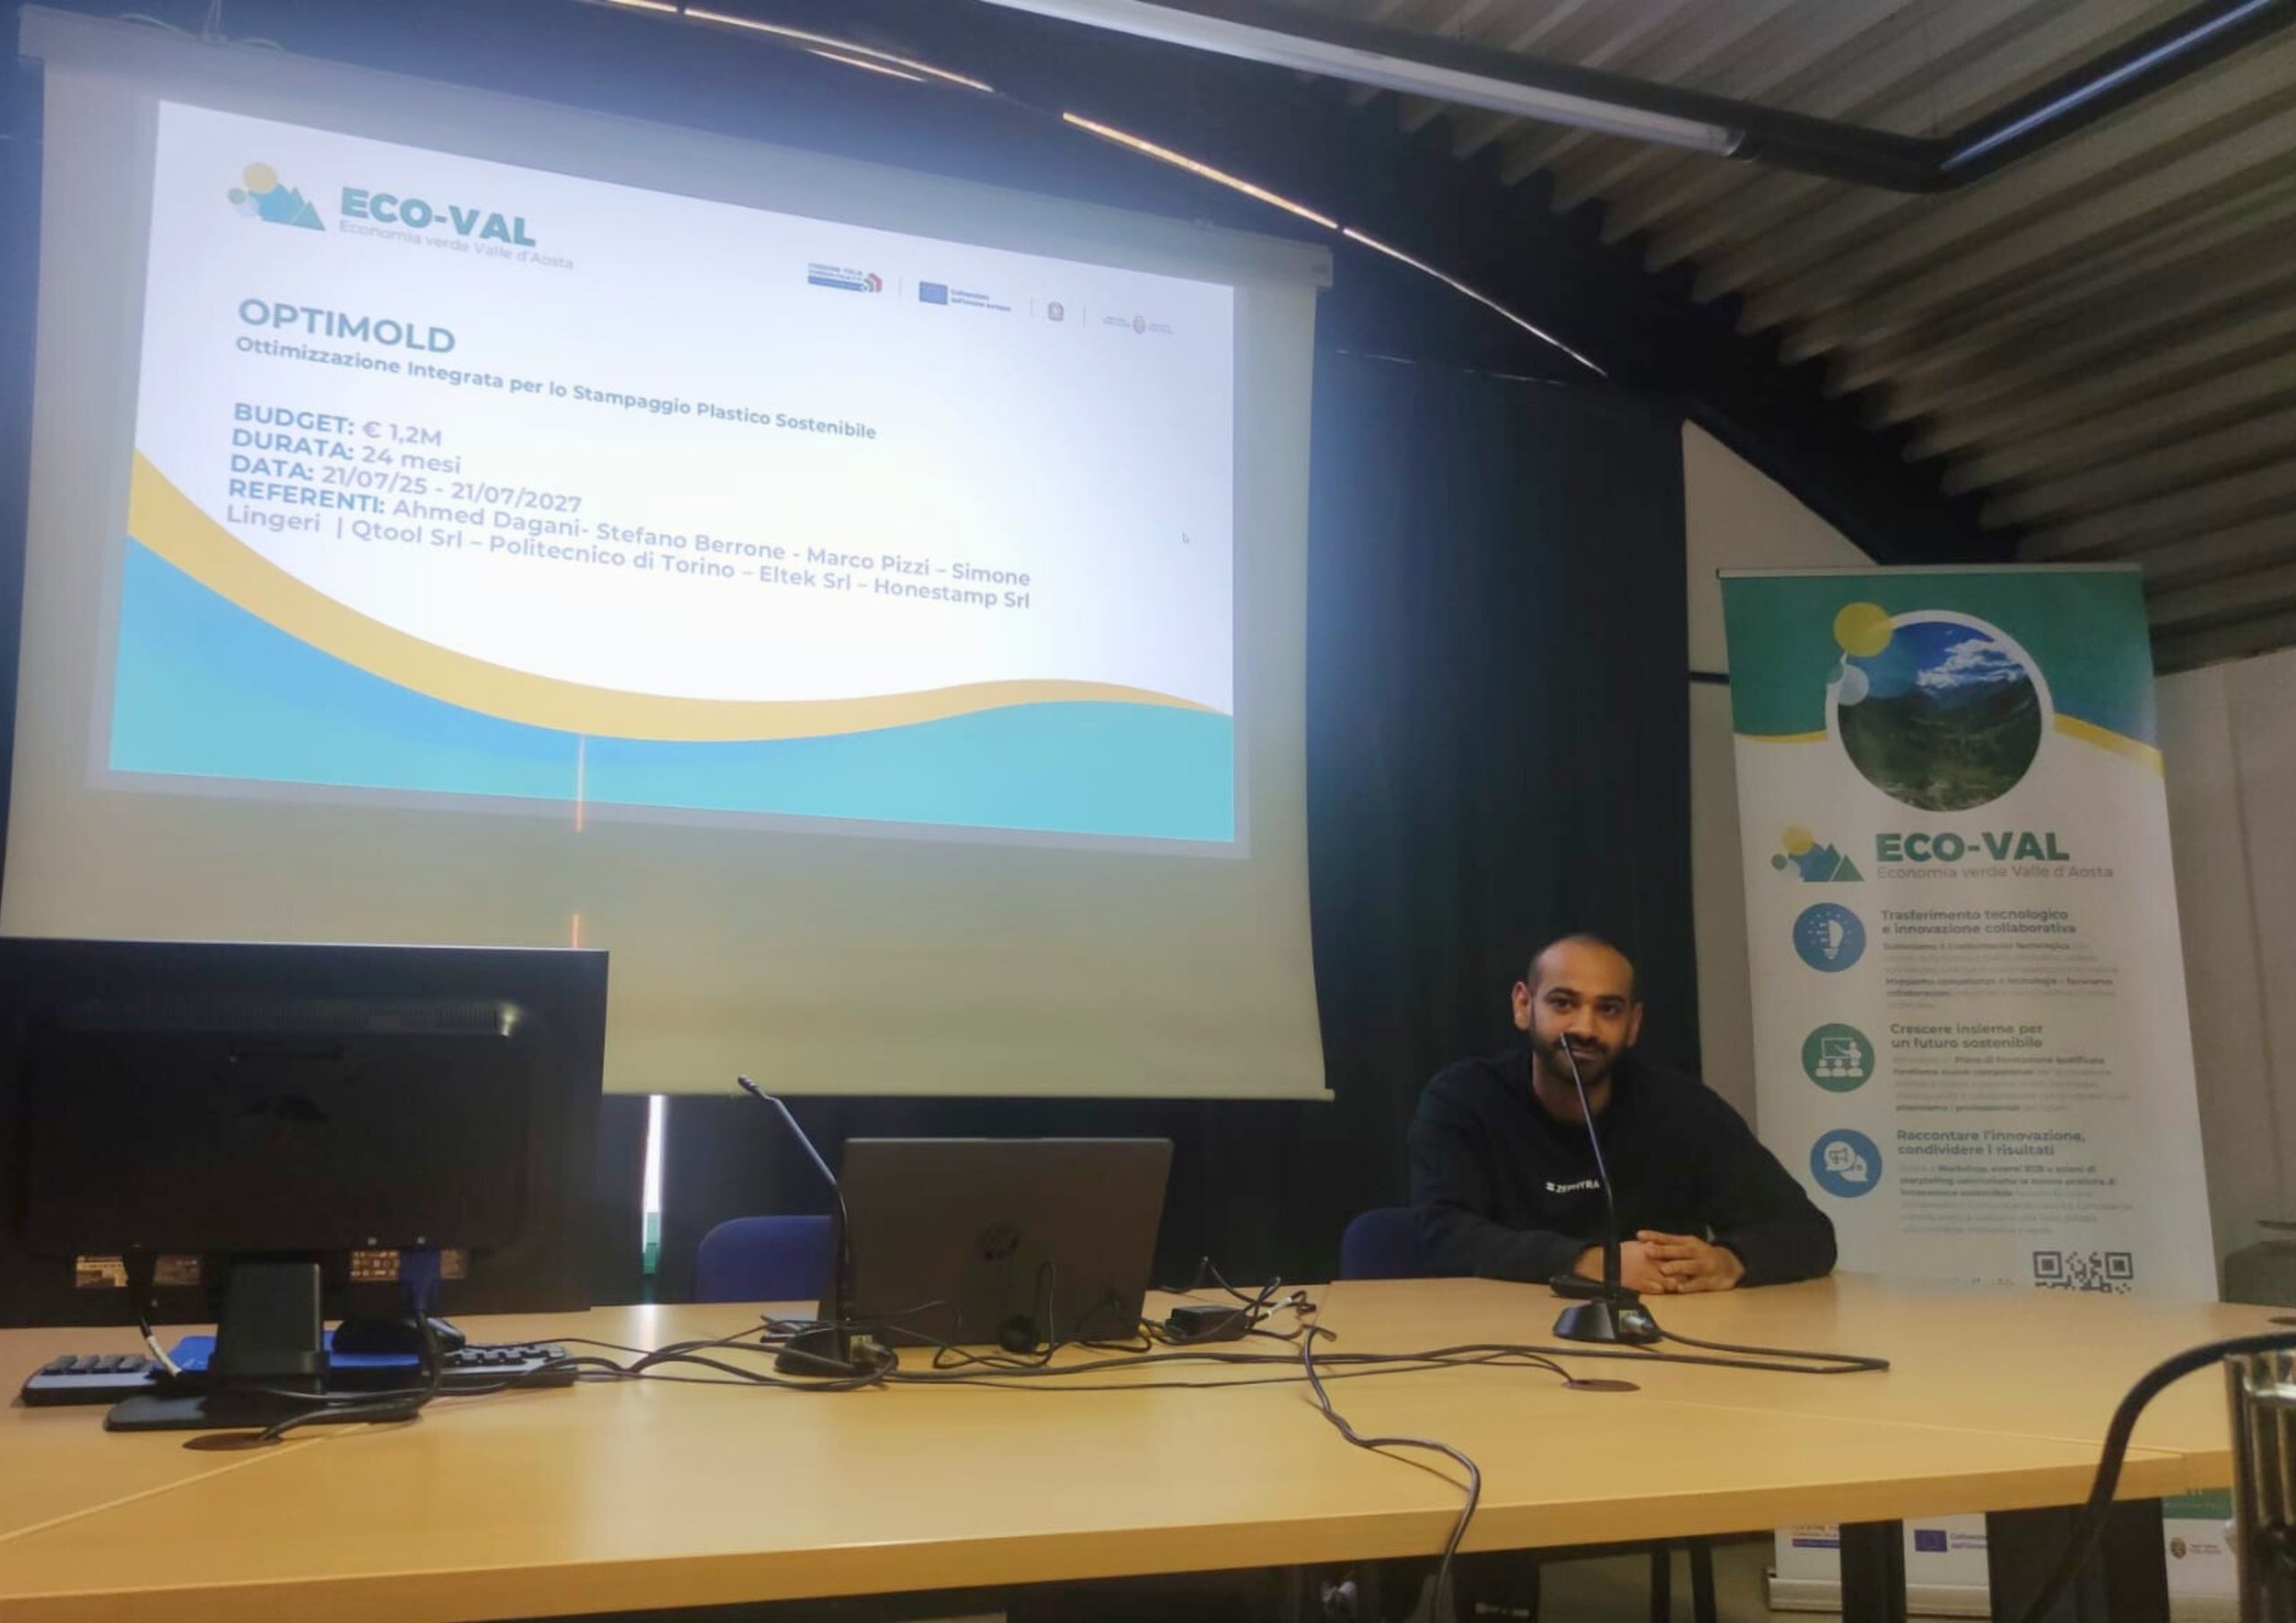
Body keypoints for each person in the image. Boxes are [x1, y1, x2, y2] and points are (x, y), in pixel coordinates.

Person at [1409, 933, 1835, 1292]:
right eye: (1563, 1003)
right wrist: (1592, 1262)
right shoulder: (1464, 1098)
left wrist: (1729, 1262)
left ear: (1633, 1024)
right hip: (1500, 1333)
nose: (1585, 1028)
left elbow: (1808, 1231)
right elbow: (1441, 1236)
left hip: (1661, 1340)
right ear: (1524, 1005)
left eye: (1608, 1010)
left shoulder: (1682, 1108)